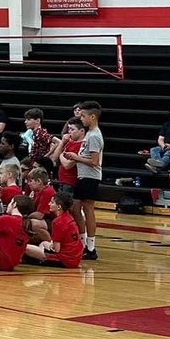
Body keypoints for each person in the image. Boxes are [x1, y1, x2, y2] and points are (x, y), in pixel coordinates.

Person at [63, 100, 103, 260]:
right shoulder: (90, 135)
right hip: (84, 176)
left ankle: (91, 247)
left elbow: (94, 161)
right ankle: (83, 243)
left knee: (87, 210)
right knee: (76, 208)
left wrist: (76, 157)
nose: (81, 119)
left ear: (92, 117)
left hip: (90, 177)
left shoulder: (94, 136)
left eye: (84, 116)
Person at [25, 191, 83, 268]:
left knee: (26, 249)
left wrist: (49, 247)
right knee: (44, 243)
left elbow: (57, 249)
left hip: (64, 260)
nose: (49, 204)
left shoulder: (57, 222)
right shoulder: (69, 217)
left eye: (52, 202)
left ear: (59, 207)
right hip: (75, 258)